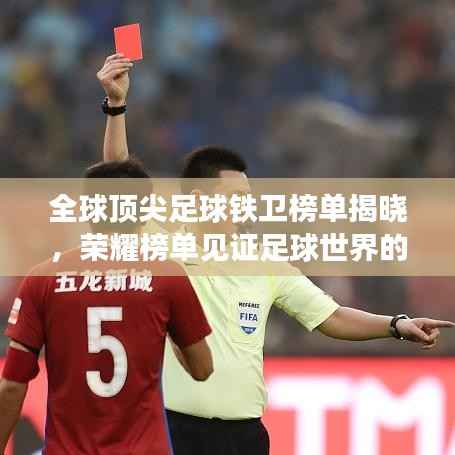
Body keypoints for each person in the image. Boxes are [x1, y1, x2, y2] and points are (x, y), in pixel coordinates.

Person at [97, 54, 455, 455]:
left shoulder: (264, 263)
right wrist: (117, 106)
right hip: (176, 430)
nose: (245, 206)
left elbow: (330, 316)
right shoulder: (165, 247)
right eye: (235, 197)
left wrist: (396, 325)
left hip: (245, 437)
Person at [0, 160, 214, 455]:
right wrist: (169, 330)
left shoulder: (43, 278)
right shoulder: (168, 276)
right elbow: (202, 369)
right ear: (144, 212)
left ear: (89, 210)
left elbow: (12, 384)